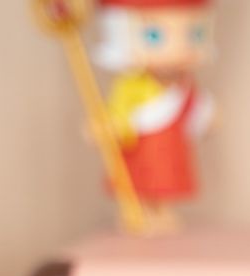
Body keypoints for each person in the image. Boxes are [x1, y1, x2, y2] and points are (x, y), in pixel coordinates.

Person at [92, 0, 216, 232]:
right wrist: (107, 127)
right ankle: (139, 210)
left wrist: (207, 119)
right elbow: (118, 112)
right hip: (139, 149)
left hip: (171, 148)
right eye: (154, 35)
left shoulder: (185, 85)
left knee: (166, 178)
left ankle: (161, 210)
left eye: (195, 33)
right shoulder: (131, 86)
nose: (179, 47)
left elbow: (195, 110)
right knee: (140, 178)